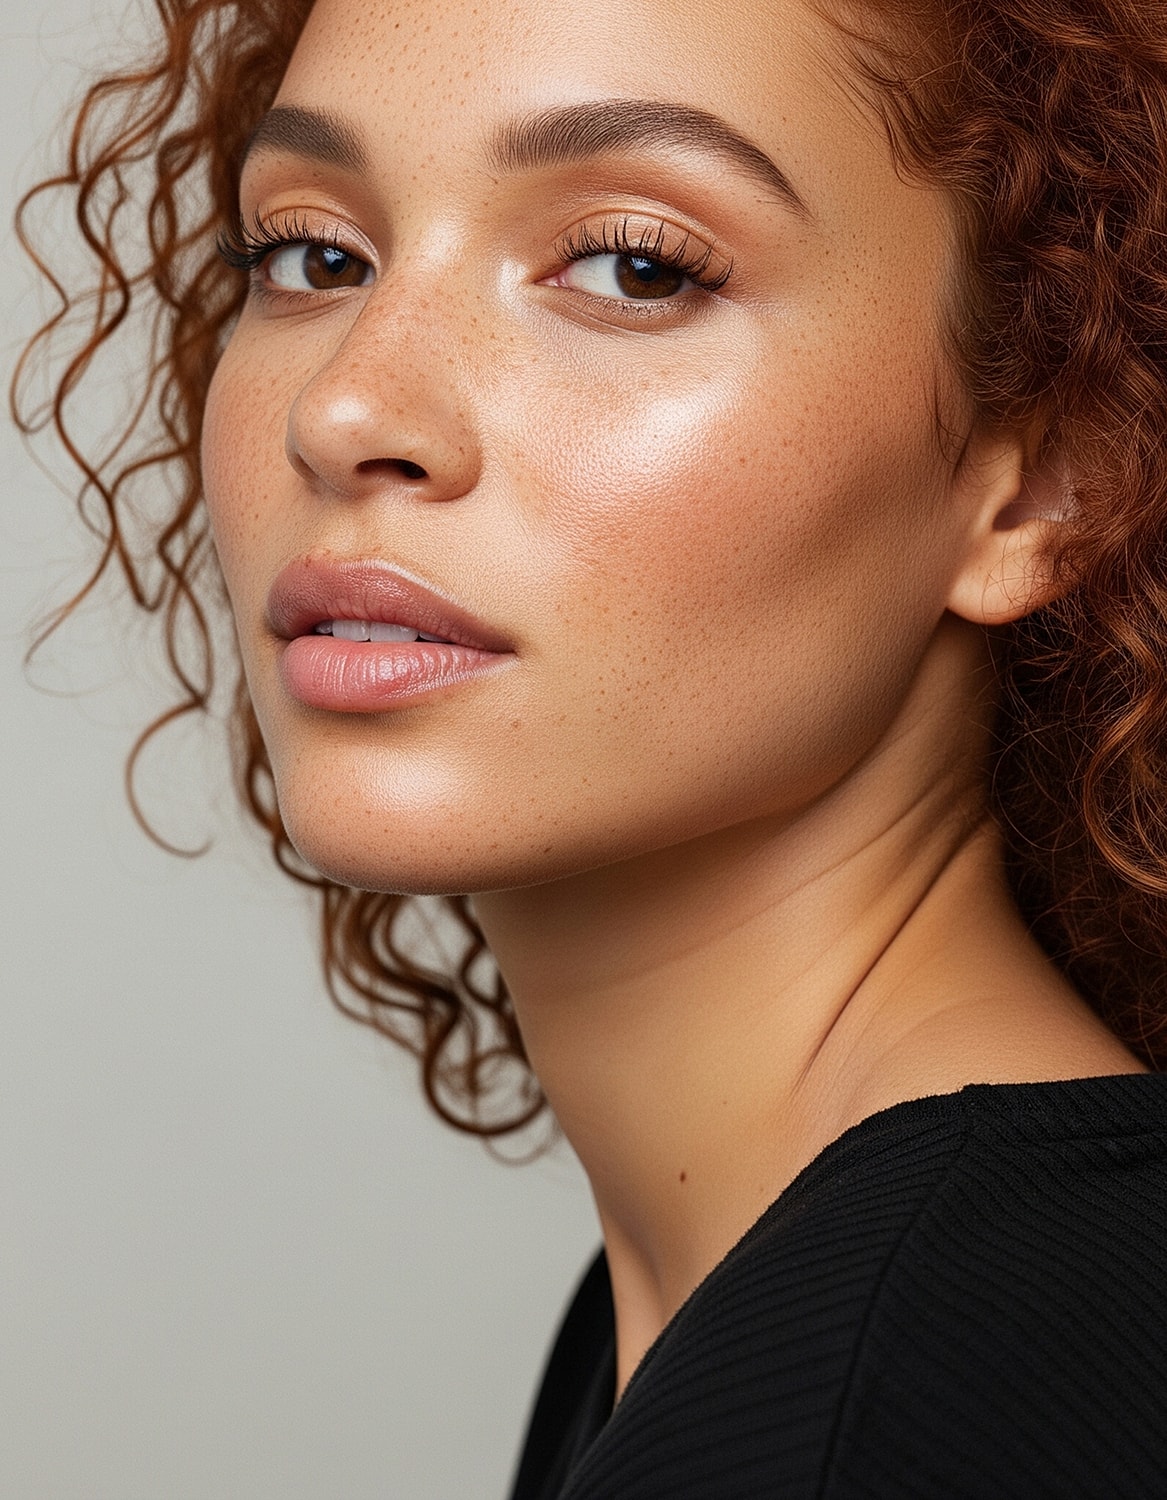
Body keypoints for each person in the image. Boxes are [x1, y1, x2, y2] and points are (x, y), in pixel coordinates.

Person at [14, 0, 1167, 1493]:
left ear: (1053, 477)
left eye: (635, 265)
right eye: (313, 255)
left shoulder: (900, 1408)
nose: (347, 404)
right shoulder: (772, 1306)